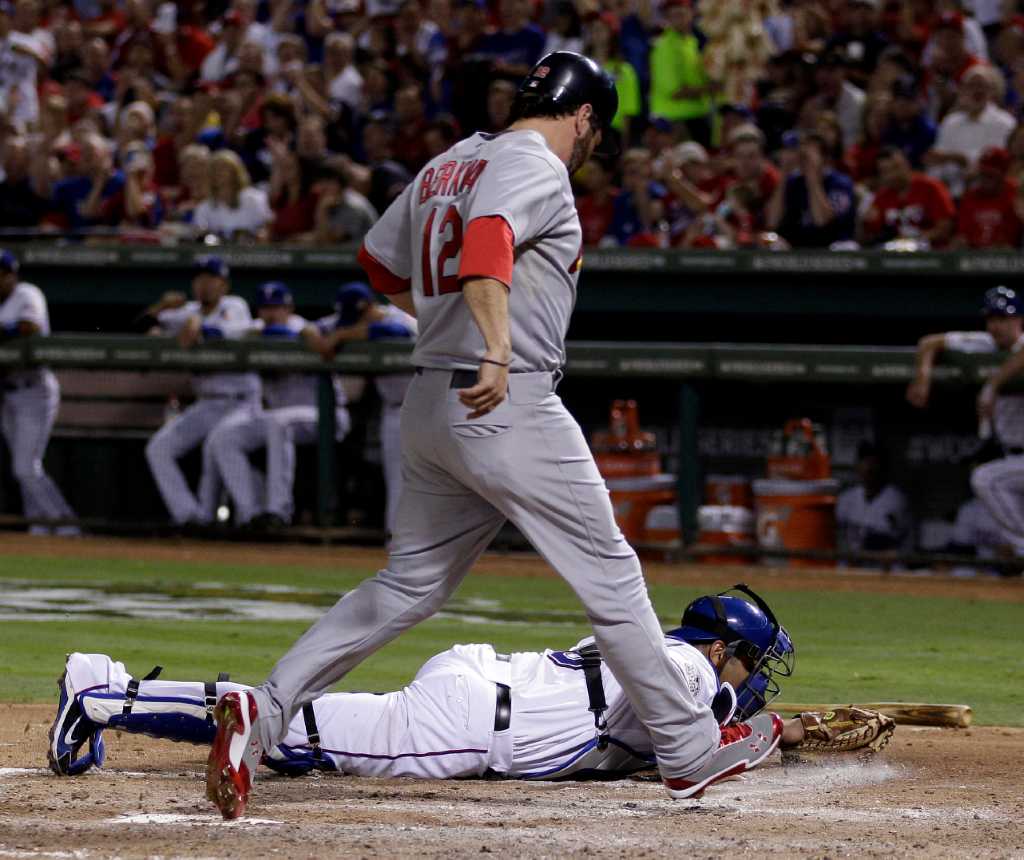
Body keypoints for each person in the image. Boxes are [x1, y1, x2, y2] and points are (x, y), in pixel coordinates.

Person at [204, 51, 784, 821]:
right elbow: (485, 246)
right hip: (505, 397)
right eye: (593, 129)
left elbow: (377, 265)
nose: (589, 142)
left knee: (405, 587)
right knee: (611, 575)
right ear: (582, 116)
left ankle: (267, 709)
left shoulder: (451, 161)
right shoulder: (536, 163)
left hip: (431, 406)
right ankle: (686, 749)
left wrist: (448, 326)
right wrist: (494, 345)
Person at [50, 587, 794, 782]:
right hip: (466, 729)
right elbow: (682, 739)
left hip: (478, 686)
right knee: (283, 739)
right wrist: (757, 728)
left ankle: (106, 685)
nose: (753, 679)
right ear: (724, 650)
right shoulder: (691, 667)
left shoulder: (666, 652)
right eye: (750, 664)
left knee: (291, 722)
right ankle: (98, 702)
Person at [203, 281, 351, 529]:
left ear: (289, 308)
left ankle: (278, 511)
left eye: (277, 307)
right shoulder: (256, 329)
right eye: (265, 308)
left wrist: (303, 335)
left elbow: (313, 333)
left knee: (277, 423)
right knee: (224, 438)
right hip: (279, 417)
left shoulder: (302, 326)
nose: (271, 313)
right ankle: (251, 513)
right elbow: (216, 332)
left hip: (323, 414)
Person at [142, 257, 260, 526]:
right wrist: (160, 309)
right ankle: (189, 517)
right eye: (199, 278)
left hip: (241, 403)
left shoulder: (234, 305)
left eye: (211, 278)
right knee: (158, 448)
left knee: (218, 445)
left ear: (224, 284)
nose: (204, 284)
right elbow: (140, 329)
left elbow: (226, 333)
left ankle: (250, 517)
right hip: (207, 404)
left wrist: (196, 327)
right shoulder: (189, 311)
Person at [909, 287, 1024, 550]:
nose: (996, 326)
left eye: (1003, 319)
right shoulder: (985, 344)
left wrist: (991, 386)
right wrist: (922, 378)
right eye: (991, 319)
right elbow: (929, 342)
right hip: (1013, 457)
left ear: (1019, 320)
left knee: (985, 479)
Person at [307, 282, 417, 534]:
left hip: (428, 408)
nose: (349, 324)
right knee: (398, 481)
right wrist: (316, 337)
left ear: (368, 308)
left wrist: (341, 336)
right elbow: (310, 327)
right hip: (394, 411)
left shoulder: (399, 316)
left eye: (356, 319)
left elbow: (394, 332)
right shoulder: (349, 320)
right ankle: (398, 544)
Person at [0, 250, 78, 535]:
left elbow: (28, 326)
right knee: (25, 468)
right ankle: (39, 528)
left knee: (25, 467)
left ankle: (66, 525)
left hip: (34, 389)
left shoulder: (26, 294)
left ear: (11, 276)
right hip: (7, 393)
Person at [768, 131, 856, 248]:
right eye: (802, 155)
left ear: (825, 158)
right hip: (798, 245)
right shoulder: (793, 182)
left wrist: (812, 178)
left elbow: (821, 222)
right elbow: (772, 221)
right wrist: (784, 174)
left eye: (810, 155)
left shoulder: (840, 183)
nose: (805, 159)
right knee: (774, 244)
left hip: (834, 245)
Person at [860, 146, 955, 247]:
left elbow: (945, 229)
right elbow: (869, 234)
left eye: (895, 168)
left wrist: (916, 240)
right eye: (885, 172)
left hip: (930, 252)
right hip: (894, 251)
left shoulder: (931, 187)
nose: (891, 175)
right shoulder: (883, 196)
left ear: (906, 164)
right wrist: (866, 221)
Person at [649, 0, 712, 147]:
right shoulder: (664, 46)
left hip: (696, 115)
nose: (679, 19)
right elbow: (675, 92)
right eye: (674, 16)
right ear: (667, 19)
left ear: (691, 14)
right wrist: (710, 89)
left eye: (682, 14)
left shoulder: (692, 42)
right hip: (676, 121)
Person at [836, 441, 912, 554]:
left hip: (884, 566)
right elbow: (835, 533)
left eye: (874, 463)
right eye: (865, 462)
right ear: (857, 466)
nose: (869, 468)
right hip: (853, 564)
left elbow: (905, 543)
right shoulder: (846, 499)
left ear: (883, 468)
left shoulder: (896, 500)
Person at [954, 146, 1021, 249]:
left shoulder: (1017, 193)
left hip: (1011, 257)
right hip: (975, 257)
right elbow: (962, 236)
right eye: (982, 174)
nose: (985, 179)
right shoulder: (970, 196)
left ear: (1003, 173)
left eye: (990, 175)